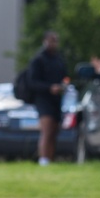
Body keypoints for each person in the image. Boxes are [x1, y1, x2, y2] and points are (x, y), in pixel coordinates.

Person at [27, 30, 68, 166]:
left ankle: (50, 159)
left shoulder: (58, 59)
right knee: (47, 129)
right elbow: (32, 82)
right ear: (45, 41)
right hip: (43, 99)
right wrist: (50, 88)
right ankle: (43, 160)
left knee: (54, 130)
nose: (54, 43)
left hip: (57, 99)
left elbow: (64, 76)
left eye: (56, 40)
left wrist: (64, 84)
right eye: (51, 40)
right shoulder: (38, 59)